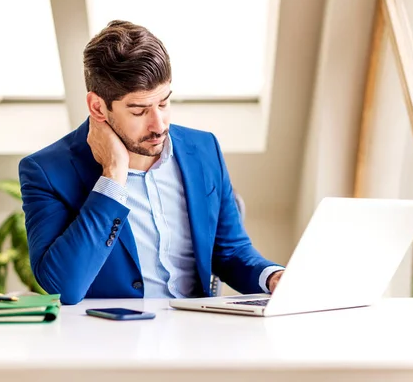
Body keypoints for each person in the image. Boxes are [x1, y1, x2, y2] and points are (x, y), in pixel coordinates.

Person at [19, 20, 284, 305]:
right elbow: (64, 287)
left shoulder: (204, 149)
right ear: (98, 107)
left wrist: (272, 277)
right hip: (111, 340)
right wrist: (113, 175)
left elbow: (230, 252)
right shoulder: (47, 171)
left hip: (199, 336)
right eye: (139, 110)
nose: (158, 125)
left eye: (163, 103)